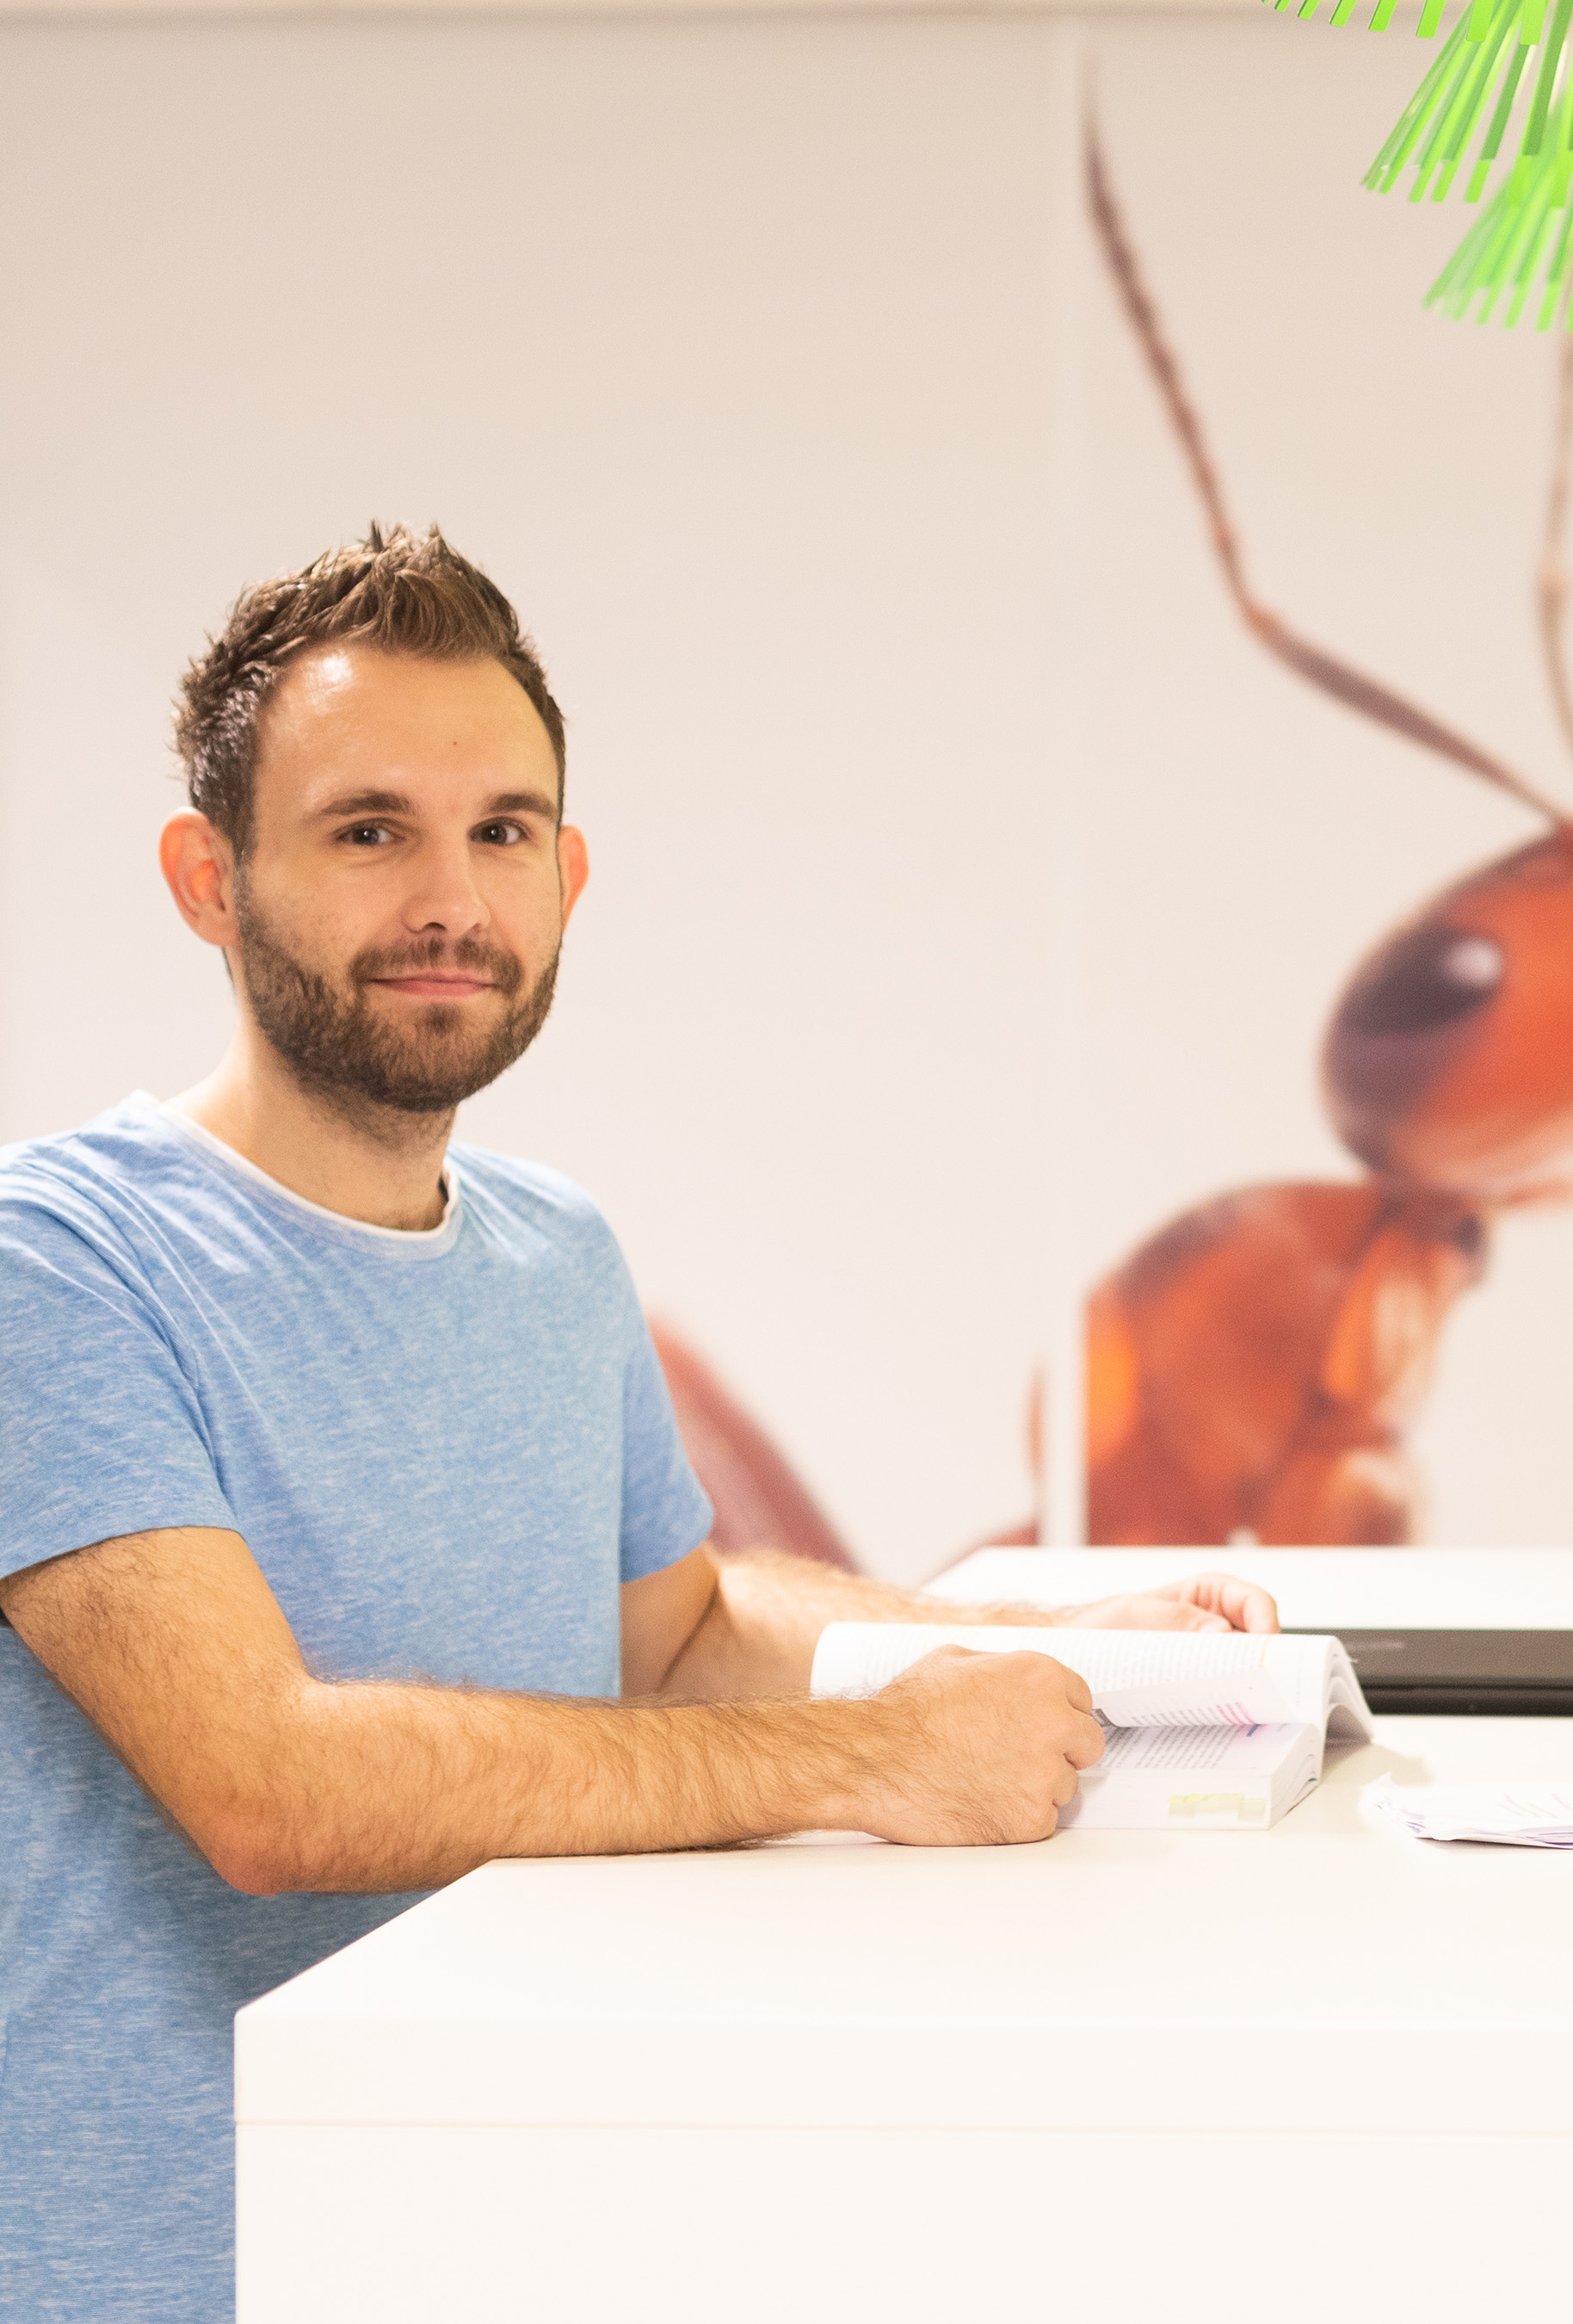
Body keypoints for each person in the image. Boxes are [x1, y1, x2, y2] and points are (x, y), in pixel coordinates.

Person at [0, 525, 1278, 2321]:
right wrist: (875, 1760)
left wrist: (1033, 1636)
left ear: (569, 874)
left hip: (511, 2237)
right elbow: (265, 1790)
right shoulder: (54, 1260)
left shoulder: (553, 1249)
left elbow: (673, 1637)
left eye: (500, 831)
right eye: (370, 831)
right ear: (208, 881)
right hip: (165, 2277)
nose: (451, 898)